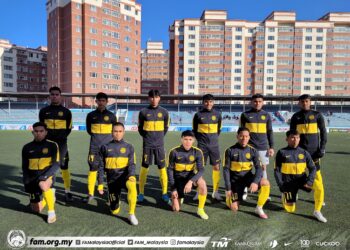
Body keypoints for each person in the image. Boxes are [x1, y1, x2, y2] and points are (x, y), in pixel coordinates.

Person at [274, 130, 327, 223]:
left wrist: (309, 181)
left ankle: (317, 211)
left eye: (297, 138)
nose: (295, 140)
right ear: (287, 139)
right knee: (290, 210)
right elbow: (277, 171)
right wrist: (281, 185)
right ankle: (286, 194)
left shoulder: (304, 153)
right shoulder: (281, 152)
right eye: (292, 137)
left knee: (318, 186)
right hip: (288, 183)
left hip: (302, 180)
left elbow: (312, 168)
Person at [223, 127, 270, 219]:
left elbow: (259, 168)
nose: (244, 138)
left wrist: (255, 182)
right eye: (241, 136)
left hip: (248, 178)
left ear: (249, 137)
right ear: (237, 137)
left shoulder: (253, 150)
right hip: (235, 181)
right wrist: (228, 188)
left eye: (246, 136)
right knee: (234, 208)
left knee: (265, 182)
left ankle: (259, 208)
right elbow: (226, 171)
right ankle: (229, 197)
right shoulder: (229, 150)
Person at [290, 94, 327, 209]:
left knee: (317, 176)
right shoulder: (295, 117)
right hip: (299, 152)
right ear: (299, 103)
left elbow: (323, 133)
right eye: (302, 101)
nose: (304, 103)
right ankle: (294, 194)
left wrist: (322, 148)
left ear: (310, 102)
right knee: (296, 174)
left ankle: (319, 198)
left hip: (314, 152)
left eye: (306, 101)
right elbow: (292, 135)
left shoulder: (317, 115)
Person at [99, 122, 138, 225]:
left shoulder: (129, 147)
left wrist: (132, 175)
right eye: (115, 131)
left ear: (124, 132)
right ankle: (115, 200)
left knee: (132, 186)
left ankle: (131, 214)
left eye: (120, 131)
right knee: (114, 211)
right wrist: (100, 183)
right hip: (112, 180)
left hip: (125, 177)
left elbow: (132, 164)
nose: (117, 134)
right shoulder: (104, 147)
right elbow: (101, 167)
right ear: (111, 132)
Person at [39, 86, 73, 202]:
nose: (54, 96)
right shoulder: (43, 111)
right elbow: (41, 127)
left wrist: (61, 138)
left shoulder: (66, 112)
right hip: (48, 144)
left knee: (64, 166)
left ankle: (67, 191)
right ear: (49, 96)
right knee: (49, 166)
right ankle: (52, 190)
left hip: (62, 143)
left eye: (56, 94)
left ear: (60, 96)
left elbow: (69, 128)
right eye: (52, 94)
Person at [22, 122, 59, 223]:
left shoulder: (52, 145)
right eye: (36, 131)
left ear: (46, 132)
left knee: (43, 185)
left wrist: (46, 176)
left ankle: (51, 212)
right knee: (36, 209)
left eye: (41, 131)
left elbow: (56, 164)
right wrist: (26, 180)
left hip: (47, 174)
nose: (38, 133)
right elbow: (25, 166)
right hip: (32, 178)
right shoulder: (26, 147)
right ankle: (50, 195)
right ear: (32, 132)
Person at [167, 130, 209, 220]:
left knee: (202, 183)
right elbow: (170, 170)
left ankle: (200, 210)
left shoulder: (197, 152)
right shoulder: (174, 152)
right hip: (177, 178)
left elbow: (201, 170)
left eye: (190, 139)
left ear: (193, 140)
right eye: (185, 139)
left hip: (190, 177)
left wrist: (191, 181)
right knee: (176, 209)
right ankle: (176, 196)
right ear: (181, 139)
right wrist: (173, 188)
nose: (188, 142)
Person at [239, 94, 274, 201]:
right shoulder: (245, 115)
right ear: (251, 102)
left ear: (262, 102)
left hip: (263, 147)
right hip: (248, 147)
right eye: (255, 101)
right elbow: (241, 132)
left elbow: (269, 132)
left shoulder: (267, 115)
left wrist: (271, 147)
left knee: (263, 168)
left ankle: (264, 192)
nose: (257, 103)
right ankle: (243, 189)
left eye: (259, 101)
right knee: (245, 168)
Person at [137, 90, 170, 203]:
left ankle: (165, 193)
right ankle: (141, 193)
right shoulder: (143, 112)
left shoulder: (164, 112)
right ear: (148, 98)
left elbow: (165, 128)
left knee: (162, 169)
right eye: (152, 97)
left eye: (156, 97)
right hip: (147, 146)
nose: (154, 99)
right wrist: (147, 138)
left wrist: (158, 138)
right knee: (144, 168)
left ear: (159, 98)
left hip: (160, 146)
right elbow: (140, 129)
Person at [85, 92, 116, 203]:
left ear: (107, 102)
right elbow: (89, 130)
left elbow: (115, 132)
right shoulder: (90, 115)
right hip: (94, 147)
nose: (101, 102)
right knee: (93, 169)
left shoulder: (112, 116)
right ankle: (90, 194)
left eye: (103, 101)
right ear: (96, 101)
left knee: (109, 170)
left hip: (108, 148)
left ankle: (108, 192)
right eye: (99, 100)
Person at [192, 94, 222, 201]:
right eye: (206, 101)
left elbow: (218, 130)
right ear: (203, 102)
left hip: (214, 146)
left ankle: (215, 192)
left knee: (216, 167)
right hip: (202, 146)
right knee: (199, 168)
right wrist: (202, 141)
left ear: (213, 102)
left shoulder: (218, 115)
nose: (208, 104)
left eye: (210, 101)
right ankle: (199, 191)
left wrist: (212, 139)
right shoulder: (198, 115)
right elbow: (194, 130)